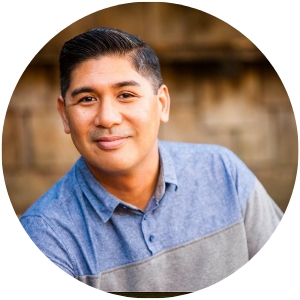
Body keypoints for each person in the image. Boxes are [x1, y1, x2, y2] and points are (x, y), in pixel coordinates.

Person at [20, 27, 283, 292]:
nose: (107, 117)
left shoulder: (224, 173)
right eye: (87, 99)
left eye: (125, 95)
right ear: (65, 115)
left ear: (162, 104)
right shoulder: (46, 235)